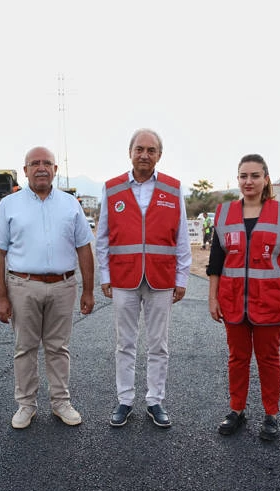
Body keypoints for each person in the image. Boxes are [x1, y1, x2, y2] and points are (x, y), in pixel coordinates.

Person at [0, 146, 95, 429]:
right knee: (25, 348)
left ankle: (60, 402)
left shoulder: (71, 205)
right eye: (35, 163)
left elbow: (84, 248)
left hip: (63, 286)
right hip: (23, 285)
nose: (41, 167)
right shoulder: (9, 205)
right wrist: (1, 297)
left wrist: (88, 290)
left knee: (59, 347)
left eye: (47, 163)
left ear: (55, 170)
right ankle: (26, 405)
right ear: (25, 171)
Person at [96, 128, 192, 428]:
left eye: (151, 150)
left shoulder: (173, 189)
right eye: (140, 149)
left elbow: (182, 240)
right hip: (124, 277)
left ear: (159, 155)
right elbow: (101, 238)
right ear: (130, 152)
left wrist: (182, 278)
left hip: (161, 280)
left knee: (158, 345)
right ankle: (124, 400)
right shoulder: (111, 189)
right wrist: (105, 275)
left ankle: (154, 401)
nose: (145, 155)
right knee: (124, 344)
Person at [207, 154, 280, 441]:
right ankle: (237, 409)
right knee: (237, 358)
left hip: (270, 302)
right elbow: (215, 262)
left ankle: (271, 414)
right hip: (232, 301)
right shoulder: (223, 214)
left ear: (266, 179)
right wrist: (213, 298)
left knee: (269, 359)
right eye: (243, 176)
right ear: (238, 180)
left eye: (255, 176)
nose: (249, 181)